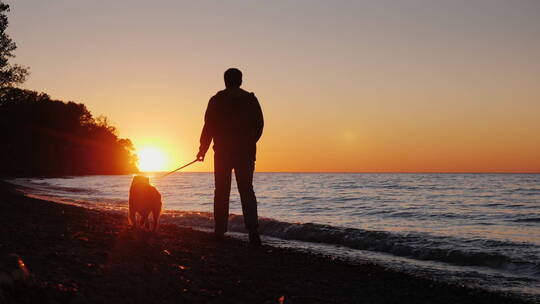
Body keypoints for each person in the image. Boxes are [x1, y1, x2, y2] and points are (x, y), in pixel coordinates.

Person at [196, 68, 264, 246]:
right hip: (245, 152)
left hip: (223, 152)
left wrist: (202, 149)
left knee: (221, 190)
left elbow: (208, 127)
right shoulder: (251, 100)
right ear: (240, 81)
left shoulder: (217, 100)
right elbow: (259, 126)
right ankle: (253, 232)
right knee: (246, 190)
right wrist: (249, 142)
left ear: (225, 81)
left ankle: (220, 230)